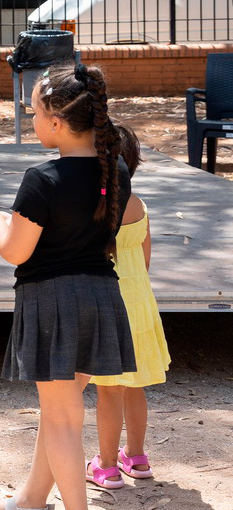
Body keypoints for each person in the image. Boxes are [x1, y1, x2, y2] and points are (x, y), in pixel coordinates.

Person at [0, 63, 135, 510]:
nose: (30, 119)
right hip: (101, 297)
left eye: (34, 112)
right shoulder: (116, 170)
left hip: (53, 301)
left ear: (57, 123)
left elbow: (16, 251)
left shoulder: (41, 179)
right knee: (60, 410)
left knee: (61, 417)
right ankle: (30, 505)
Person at [87, 122, 170, 489]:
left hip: (107, 304)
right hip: (139, 305)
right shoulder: (139, 206)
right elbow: (145, 261)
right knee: (135, 386)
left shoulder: (93, 208)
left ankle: (105, 466)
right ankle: (135, 457)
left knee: (109, 390)